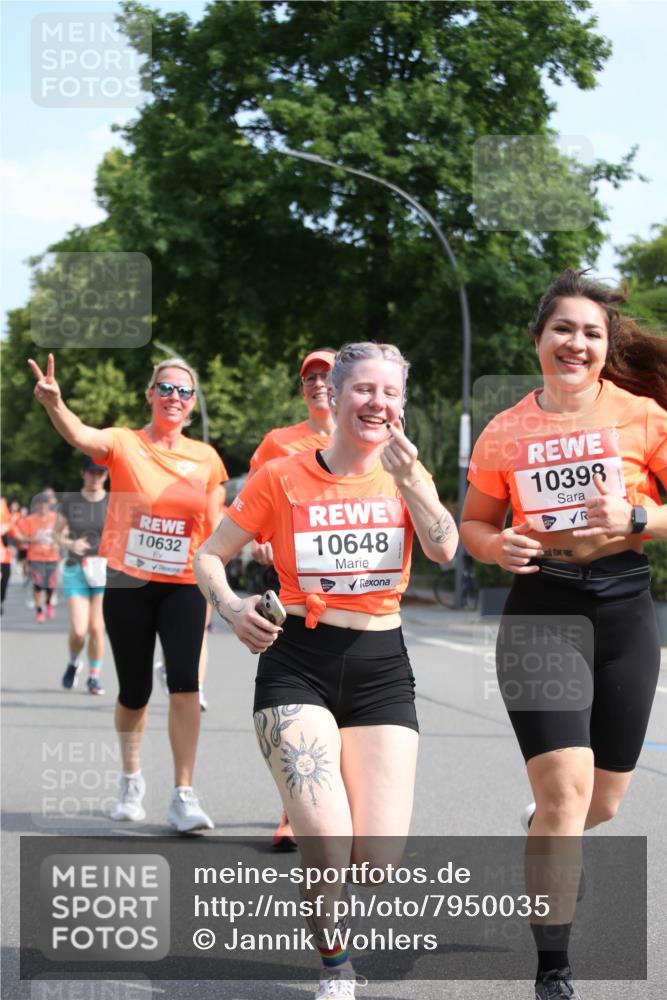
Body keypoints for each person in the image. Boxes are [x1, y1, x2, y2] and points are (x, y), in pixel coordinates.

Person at [195, 342, 458, 999]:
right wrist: (231, 605)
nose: (378, 402)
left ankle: (336, 882)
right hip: (296, 663)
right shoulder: (281, 476)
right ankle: (333, 962)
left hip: (380, 669)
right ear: (334, 399)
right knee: (326, 835)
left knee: (374, 861)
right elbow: (209, 555)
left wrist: (416, 482)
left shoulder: (405, 475)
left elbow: (446, 550)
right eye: (364, 389)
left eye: (390, 392)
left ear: (401, 404)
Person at [460, 269, 667, 1000]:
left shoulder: (643, 417)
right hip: (539, 614)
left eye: (590, 333)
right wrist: (494, 548)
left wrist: (637, 520)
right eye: (562, 330)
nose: (575, 343)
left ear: (604, 346)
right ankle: (553, 970)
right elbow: (475, 524)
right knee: (563, 795)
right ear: (538, 339)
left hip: (622, 614)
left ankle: (554, 820)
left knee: (600, 802)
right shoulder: (505, 428)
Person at [29, 353, 228, 833]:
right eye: (166, 388)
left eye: (184, 391)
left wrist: (253, 550)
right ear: (150, 395)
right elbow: (81, 435)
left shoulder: (206, 458)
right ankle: (130, 779)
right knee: (134, 692)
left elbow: (218, 526)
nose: (174, 397)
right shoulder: (122, 443)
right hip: (129, 584)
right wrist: (56, 404)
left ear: (192, 400)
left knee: (186, 685)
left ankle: (183, 794)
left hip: (184, 584)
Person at [249, 347, 337, 848]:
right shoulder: (278, 443)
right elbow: (258, 509)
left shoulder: (370, 436)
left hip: (358, 600)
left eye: (327, 374)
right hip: (294, 595)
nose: (319, 383)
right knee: (297, 711)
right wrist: (260, 538)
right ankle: (292, 810)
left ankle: (333, 807)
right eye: (309, 377)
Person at [55, 456, 110, 694]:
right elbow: (56, 533)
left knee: (97, 628)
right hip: (76, 569)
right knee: (79, 630)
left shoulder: (112, 503)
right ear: (83, 473)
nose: (96, 477)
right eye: (91, 472)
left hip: (103, 571)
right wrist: (70, 543)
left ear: (106, 476)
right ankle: (73, 661)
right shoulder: (70, 502)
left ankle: (94, 677)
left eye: (101, 473)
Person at [14, 492, 60, 622]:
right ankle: (39, 610)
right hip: (35, 556)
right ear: (36, 506)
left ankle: (49, 603)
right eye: (40, 504)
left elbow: (64, 534)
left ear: (49, 505)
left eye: (45, 504)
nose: (42, 506)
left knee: (50, 585)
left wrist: (58, 543)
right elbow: (19, 536)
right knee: (38, 583)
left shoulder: (56, 518)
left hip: (52, 556)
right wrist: (32, 539)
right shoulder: (29, 520)